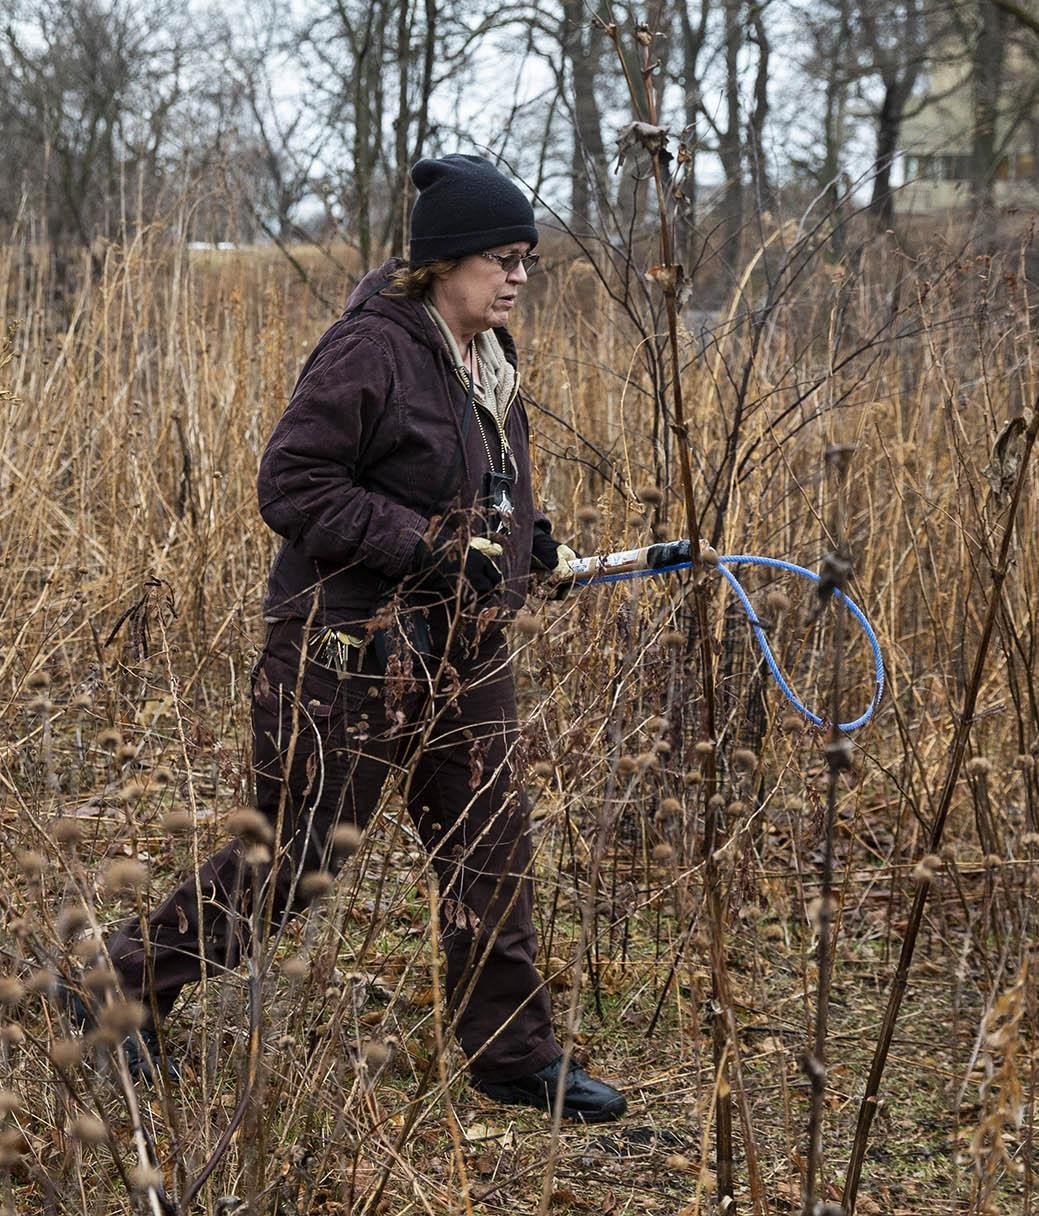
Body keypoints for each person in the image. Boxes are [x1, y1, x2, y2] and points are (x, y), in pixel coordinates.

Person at [81, 154, 626, 1122]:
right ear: (444, 261)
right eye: (502, 257)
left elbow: (470, 486)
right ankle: (120, 982)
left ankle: (512, 1056)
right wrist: (423, 546)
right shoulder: (371, 350)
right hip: (345, 652)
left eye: (526, 258)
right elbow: (291, 484)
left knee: (490, 843)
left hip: (463, 647)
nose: (520, 276)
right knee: (295, 860)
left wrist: (522, 545)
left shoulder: (490, 358)